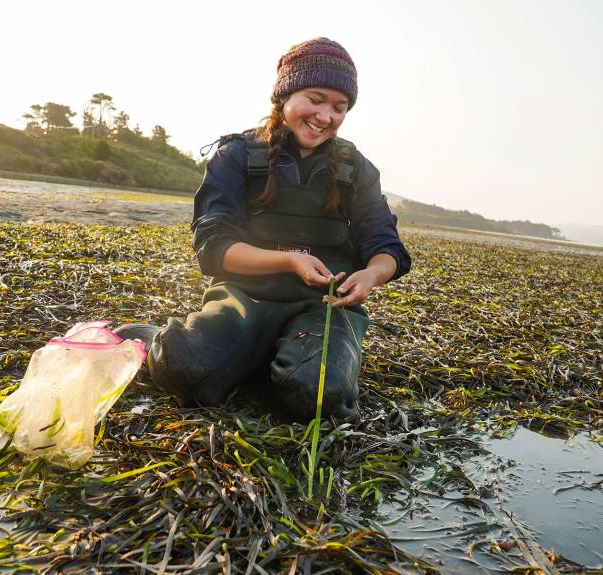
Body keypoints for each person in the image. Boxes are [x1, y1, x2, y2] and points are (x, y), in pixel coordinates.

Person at [117, 37, 411, 422]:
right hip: (246, 299)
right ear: (284, 95)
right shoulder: (237, 155)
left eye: (339, 108)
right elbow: (214, 246)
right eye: (315, 99)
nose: (325, 116)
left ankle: (266, 359)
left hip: (323, 308)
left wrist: (372, 274)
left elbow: (386, 244)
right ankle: (168, 338)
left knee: (320, 396)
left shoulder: (357, 170)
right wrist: (290, 260)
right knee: (185, 370)